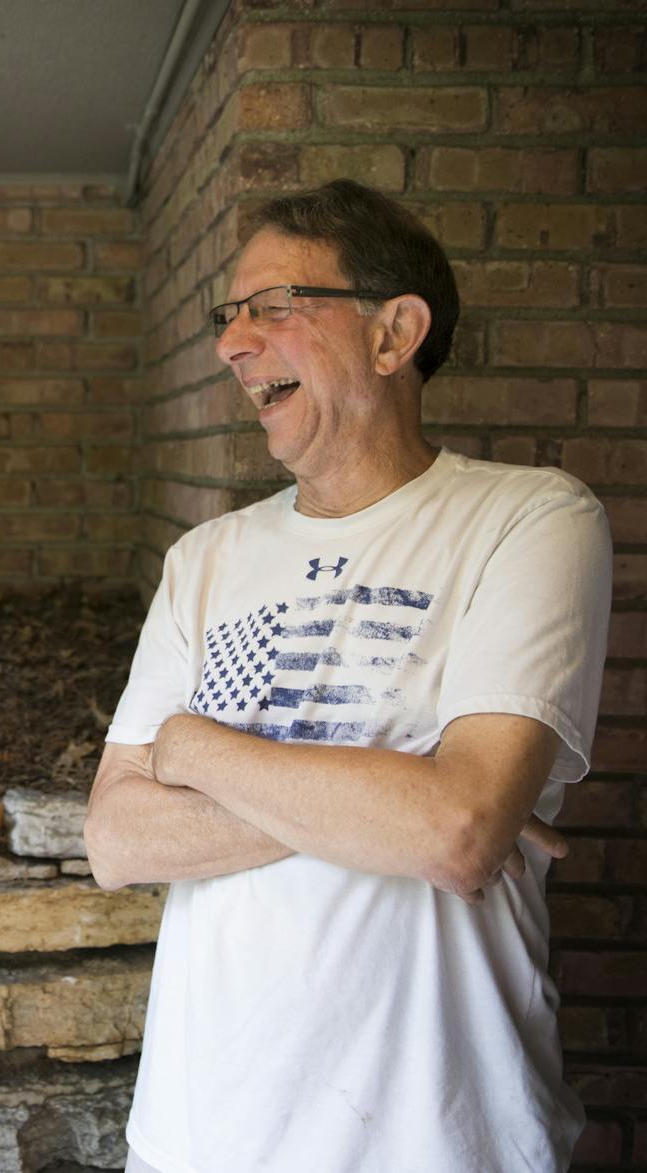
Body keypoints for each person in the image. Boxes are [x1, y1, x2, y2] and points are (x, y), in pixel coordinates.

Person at [85, 180, 612, 1173]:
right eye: (225, 317)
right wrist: (398, 792)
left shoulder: (530, 520)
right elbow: (116, 837)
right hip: (202, 1138)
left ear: (391, 333)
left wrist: (193, 749)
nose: (229, 344)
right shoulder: (204, 560)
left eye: (272, 306)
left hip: (441, 1141)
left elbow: (452, 833)